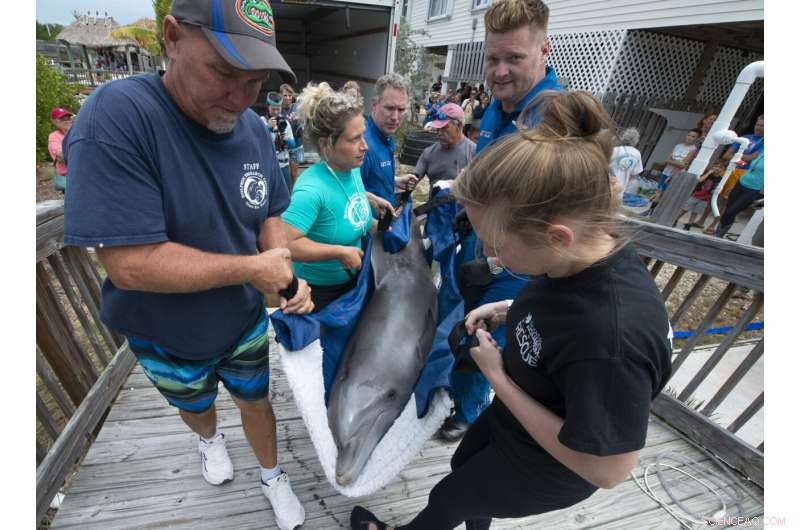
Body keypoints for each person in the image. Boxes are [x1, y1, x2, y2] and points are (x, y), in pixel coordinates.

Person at [350, 89, 672, 530]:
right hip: (513, 423)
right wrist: (510, 305)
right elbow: (566, 301)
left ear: (557, 237)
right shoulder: (587, 253)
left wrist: (497, 376)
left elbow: (608, 470)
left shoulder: (613, 341)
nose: (490, 256)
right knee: (464, 468)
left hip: (551, 464)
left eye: (497, 245)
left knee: (450, 497)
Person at [61, 3, 314, 529]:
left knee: (256, 399)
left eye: (255, 81)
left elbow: (269, 209)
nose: (241, 98)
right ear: (172, 38)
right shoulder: (118, 116)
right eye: (223, 72)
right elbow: (130, 264)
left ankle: (271, 475)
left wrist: (282, 267)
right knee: (193, 399)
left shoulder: (249, 127)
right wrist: (252, 269)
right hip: (160, 330)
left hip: (241, 321)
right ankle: (208, 439)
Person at [441, 0, 563, 443]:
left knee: (486, 345)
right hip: (479, 249)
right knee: (463, 332)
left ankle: (474, 418)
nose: (500, 71)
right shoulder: (495, 108)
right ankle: (460, 399)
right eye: (493, 59)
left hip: (519, 264)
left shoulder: (555, 120)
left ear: (544, 50)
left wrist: (497, 260)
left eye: (515, 58)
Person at [282, 83, 394, 310]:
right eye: (354, 140)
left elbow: (344, 207)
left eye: (363, 136)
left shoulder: (351, 169)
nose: (365, 147)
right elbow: (286, 245)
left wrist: (368, 199)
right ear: (326, 144)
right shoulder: (310, 190)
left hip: (354, 283)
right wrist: (337, 252)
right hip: (317, 296)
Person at [703, 114, 764, 234]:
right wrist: (743, 158)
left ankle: (716, 226)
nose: (759, 127)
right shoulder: (745, 137)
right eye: (758, 124)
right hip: (731, 169)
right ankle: (702, 220)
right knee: (715, 195)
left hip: (744, 174)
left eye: (763, 126)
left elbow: (752, 159)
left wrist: (737, 156)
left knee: (728, 204)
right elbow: (727, 155)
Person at [361, 73, 416, 205]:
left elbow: (372, 179)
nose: (395, 117)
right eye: (390, 108)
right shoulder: (362, 145)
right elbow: (345, 193)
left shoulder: (386, 135)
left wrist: (394, 181)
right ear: (374, 105)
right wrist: (375, 225)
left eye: (401, 109)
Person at [400, 103, 475, 197]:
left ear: (459, 126)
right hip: (435, 209)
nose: (439, 133)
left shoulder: (473, 152)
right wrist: (409, 184)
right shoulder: (429, 152)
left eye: (444, 128)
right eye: (438, 128)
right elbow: (413, 178)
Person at [641, 128, 700, 217]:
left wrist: (673, 162)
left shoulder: (693, 149)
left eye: (693, 136)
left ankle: (655, 212)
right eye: (689, 135)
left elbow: (683, 164)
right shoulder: (678, 146)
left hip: (676, 175)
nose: (689, 138)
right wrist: (676, 162)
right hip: (666, 172)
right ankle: (651, 210)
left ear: (696, 139)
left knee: (665, 194)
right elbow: (667, 160)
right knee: (659, 192)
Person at [714, 151, 764, 239]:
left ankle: (719, 233)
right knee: (728, 209)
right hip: (740, 183)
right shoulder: (762, 151)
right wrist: (733, 185)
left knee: (732, 211)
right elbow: (748, 167)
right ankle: (718, 233)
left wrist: (761, 196)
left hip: (754, 189)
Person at [674, 162, 724, 231]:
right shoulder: (707, 174)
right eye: (716, 166)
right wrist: (709, 173)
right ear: (713, 167)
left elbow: (719, 188)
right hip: (696, 195)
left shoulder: (720, 179)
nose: (717, 169)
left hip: (705, 199)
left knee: (695, 212)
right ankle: (675, 219)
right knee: (685, 209)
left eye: (720, 167)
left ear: (722, 170)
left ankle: (689, 224)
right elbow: (700, 180)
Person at [264, 92, 297, 192]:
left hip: (284, 166)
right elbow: (258, 144)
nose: (276, 112)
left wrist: (286, 139)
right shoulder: (262, 121)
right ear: (268, 107)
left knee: (286, 195)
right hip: (269, 167)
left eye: (278, 109)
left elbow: (293, 145)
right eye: (273, 109)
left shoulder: (285, 122)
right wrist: (268, 128)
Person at [279, 83, 305, 183]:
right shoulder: (278, 108)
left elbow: (305, 122)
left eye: (290, 95)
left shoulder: (297, 107)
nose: (288, 98)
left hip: (296, 145)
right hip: (283, 146)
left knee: (294, 175)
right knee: (286, 175)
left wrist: (299, 119)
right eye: (285, 95)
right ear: (281, 95)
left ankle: (294, 196)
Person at [608, 127, 643, 198]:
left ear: (624, 137)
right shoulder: (637, 154)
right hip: (619, 190)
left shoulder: (615, 150)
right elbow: (635, 174)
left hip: (606, 186)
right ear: (636, 140)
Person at [48, 107, 74, 192]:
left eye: (69, 118)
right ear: (55, 122)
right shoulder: (54, 137)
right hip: (67, 176)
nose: (67, 121)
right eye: (63, 119)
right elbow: (63, 157)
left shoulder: (76, 133)